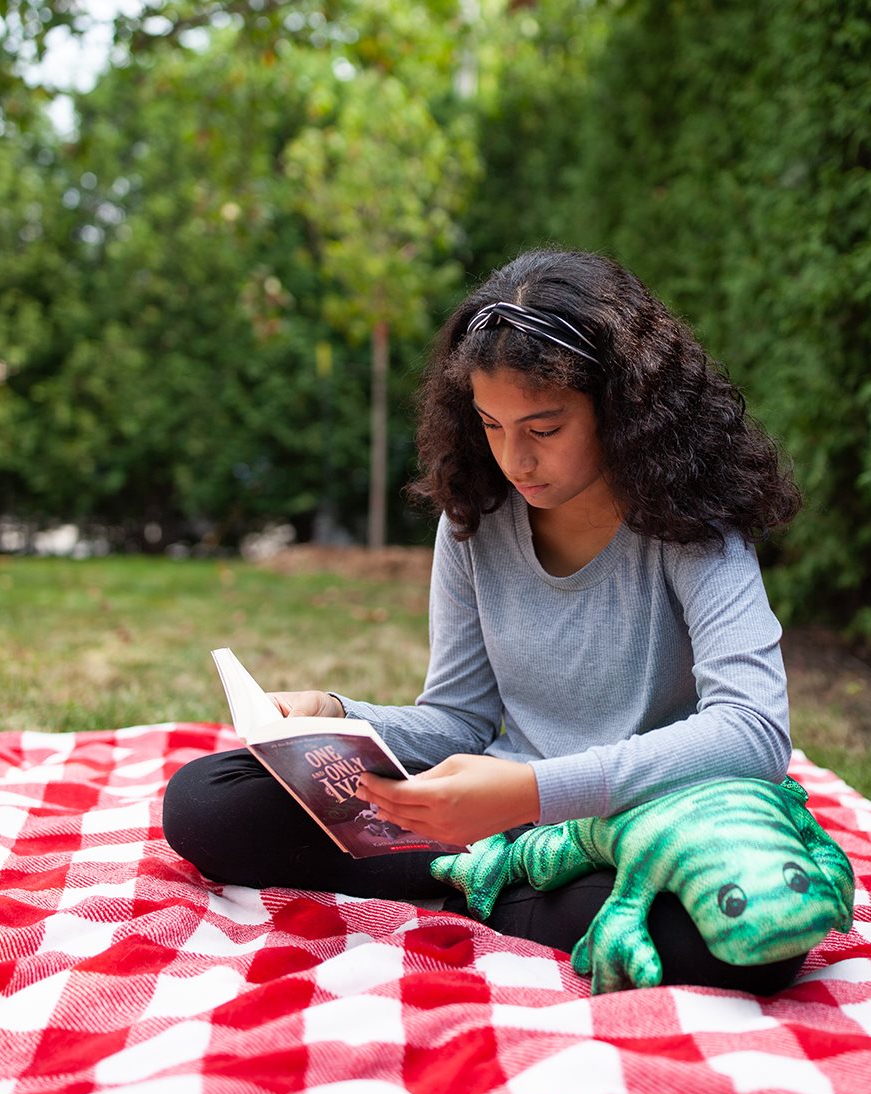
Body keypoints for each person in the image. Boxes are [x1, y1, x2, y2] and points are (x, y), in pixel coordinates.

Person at [163, 247, 805, 992]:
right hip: (496, 818)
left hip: (633, 829)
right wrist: (332, 715)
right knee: (208, 802)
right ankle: (506, 888)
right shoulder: (477, 512)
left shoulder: (696, 524)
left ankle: (477, 885)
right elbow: (457, 719)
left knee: (744, 932)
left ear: (625, 407)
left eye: (544, 427)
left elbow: (754, 731)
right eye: (492, 425)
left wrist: (529, 790)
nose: (514, 459)